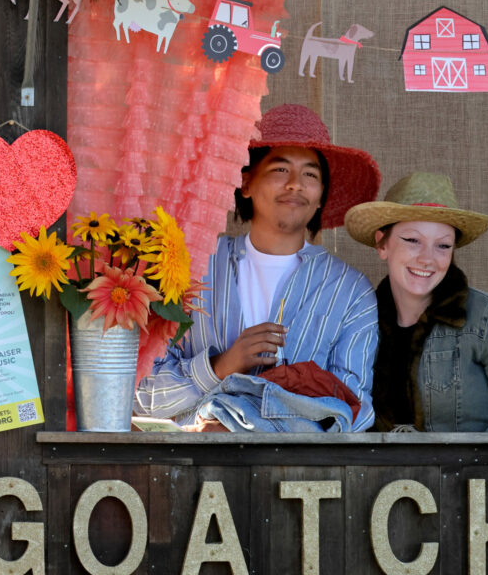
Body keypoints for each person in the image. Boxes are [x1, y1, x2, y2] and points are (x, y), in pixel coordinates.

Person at [135, 104, 382, 432]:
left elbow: (354, 410)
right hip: (190, 472)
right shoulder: (189, 266)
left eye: (310, 174)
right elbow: (142, 394)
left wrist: (237, 418)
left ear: (322, 195)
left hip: (298, 477)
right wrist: (221, 366)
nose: (295, 184)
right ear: (247, 184)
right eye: (280, 170)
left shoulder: (350, 291)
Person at [344, 172, 488, 432]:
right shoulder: (356, 321)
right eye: (412, 240)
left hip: (469, 473)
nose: (427, 258)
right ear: (382, 244)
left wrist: (463, 463)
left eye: (442, 246)